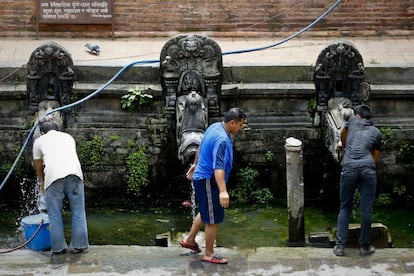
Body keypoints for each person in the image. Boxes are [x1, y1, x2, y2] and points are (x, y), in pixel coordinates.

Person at [180, 107, 247, 264]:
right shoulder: (222, 140)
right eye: (240, 124)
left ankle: (190, 240)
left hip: (202, 177)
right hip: (209, 180)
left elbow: (201, 147)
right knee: (213, 218)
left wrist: (195, 164)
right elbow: (218, 167)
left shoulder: (214, 126)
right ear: (232, 123)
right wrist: (223, 191)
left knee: (205, 210)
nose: (241, 128)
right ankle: (209, 253)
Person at [32, 120, 89, 255]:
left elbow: (37, 165)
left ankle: (58, 248)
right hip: (75, 175)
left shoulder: (39, 141)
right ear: (57, 129)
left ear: (42, 132)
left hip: (53, 178)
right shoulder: (68, 137)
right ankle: (79, 245)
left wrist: (42, 181)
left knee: (54, 214)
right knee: (78, 211)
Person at [333, 104, 382, 257]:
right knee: (366, 209)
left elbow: (343, 135)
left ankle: (340, 246)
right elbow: (375, 153)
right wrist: (370, 168)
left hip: (349, 168)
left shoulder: (352, 122)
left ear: (358, 116)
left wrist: (344, 144)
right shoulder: (376, 132)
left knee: (344, 207)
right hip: (368, 168)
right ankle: (364, 247)